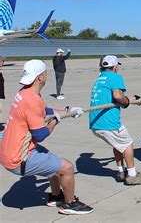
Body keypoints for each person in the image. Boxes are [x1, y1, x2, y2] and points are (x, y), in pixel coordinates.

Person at [0, 60, 93, 215]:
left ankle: (55, 197)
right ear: (40, 77)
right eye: (45, 73)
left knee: (55, 164)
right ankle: (69, 204)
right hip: (18, 158)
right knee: (67, 168)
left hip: (11, 150)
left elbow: (45, 110)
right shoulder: (32, 100)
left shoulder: (24, 92)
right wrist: (56, 120)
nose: (46, 76)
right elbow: (41, 134)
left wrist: (68, 110)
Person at [89, 55, 141, 185]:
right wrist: (126, 102)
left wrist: (134, 99)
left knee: (118, 144)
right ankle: (132, 175)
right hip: (108, 122)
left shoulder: (99, 78)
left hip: (95, 122)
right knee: (127, 143)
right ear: (115, 67)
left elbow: (115, 97)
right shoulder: (115, 77)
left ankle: (121, 171)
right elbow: (117, 95)